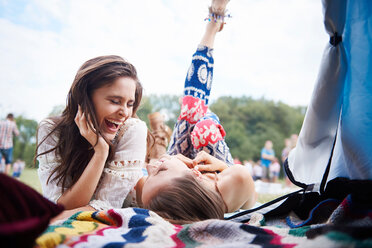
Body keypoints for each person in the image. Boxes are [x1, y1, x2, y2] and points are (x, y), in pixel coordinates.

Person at [52, 0, 256, 224]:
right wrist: (223, 167)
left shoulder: (160, 199)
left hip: (178, 176)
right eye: (156, 169)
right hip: (204, 167)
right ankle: (213, 26)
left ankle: (212, 26)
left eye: (149, 173)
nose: (149, 164)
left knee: (190, 111)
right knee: (202, 126)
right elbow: (247, 193)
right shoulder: (226, 186)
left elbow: (91, 205)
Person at [36, 53, 148, 211]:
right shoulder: (51, 130)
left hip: (142, 186)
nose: (125, 112)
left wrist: (101, 150)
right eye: (115, 101)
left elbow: (105, 207)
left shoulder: (132, 129)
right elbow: (60, 206)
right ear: (84, 97)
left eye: (130, 104)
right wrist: (100, 152)